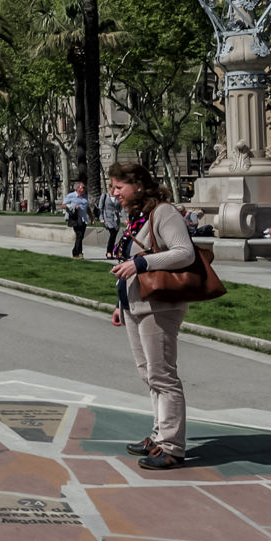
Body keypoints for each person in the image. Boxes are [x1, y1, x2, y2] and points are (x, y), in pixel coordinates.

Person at [107, 162, 197, 471]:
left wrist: (141, 264)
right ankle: (159, 436)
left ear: (139, 186)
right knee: (149, 373)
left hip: (160, 304)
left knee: (163, 375)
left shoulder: (164, 213)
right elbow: (129, 261)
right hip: (136, 303)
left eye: (119, 187)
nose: (114, 192)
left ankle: (172, 447)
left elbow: (184, 252)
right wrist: (121, 303)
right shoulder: (137, 216)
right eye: (113, 187)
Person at [62, 181, 91, 257]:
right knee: (79, 235)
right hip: (75, 218)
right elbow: (63, 205)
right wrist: (73, 207)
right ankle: (76, 253)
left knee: (81, 236)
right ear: (77, 188)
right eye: (82, 187)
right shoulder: (70, 196)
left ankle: (78, 251)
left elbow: (87, 208)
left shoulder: (85, 197)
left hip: (83, 219)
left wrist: (92, 217)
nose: (84, 189)